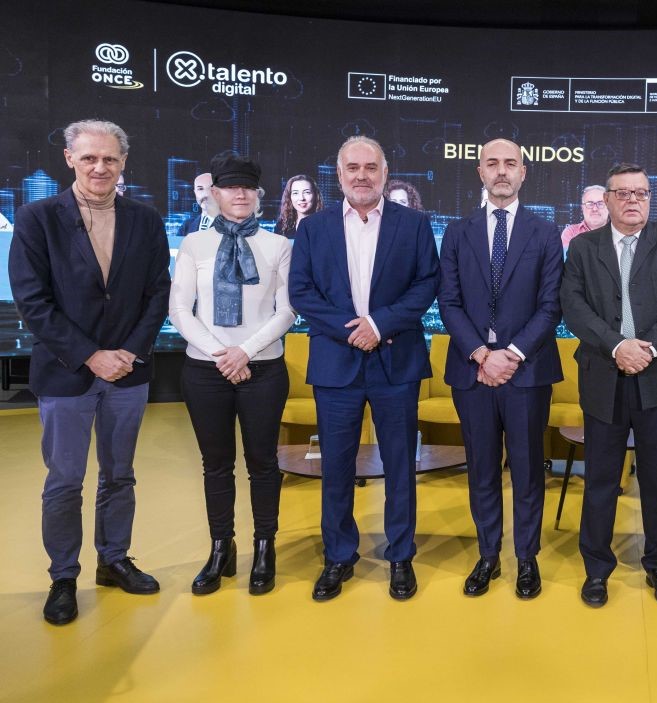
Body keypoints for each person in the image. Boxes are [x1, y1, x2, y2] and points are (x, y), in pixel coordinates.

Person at [9, 119, 170, 625]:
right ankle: (63, 577)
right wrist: (90, 355)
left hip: (129, 372)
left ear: (123, 164)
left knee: (120, 475)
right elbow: (32, 302)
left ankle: (114, 560)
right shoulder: (38, 218)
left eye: (110, 159)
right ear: (69, 158)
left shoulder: (145, 219)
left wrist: (129, 350)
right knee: (65, 481)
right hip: (66, 374)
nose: (100, 167)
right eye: (89, 158)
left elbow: (157, 293)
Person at [289, 136, 440, 602]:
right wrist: (352, 329)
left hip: (397, 362)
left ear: (383, 171)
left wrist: (379, 324)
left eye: (370, 167)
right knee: (336, 466)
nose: (361, 175)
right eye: (352, 167)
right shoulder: (314, 229)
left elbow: (426, 284)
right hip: (337, 364)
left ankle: (400, 555)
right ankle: (339, 555)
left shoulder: (413, 225)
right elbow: (302, 291)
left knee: (399, 464)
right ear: (339, 175)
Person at [560, 162, 657, 608]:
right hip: (603, 376)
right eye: (623, 193)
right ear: (609, 199)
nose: (633, 200)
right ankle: (596, 570)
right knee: (600, 480)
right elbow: (574, 306)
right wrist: (618, 346)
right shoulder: (583, 247)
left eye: (641, 193)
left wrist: (649, 347)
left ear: (649, 198)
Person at [438, 139, 563, 599]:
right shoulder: (457, 232)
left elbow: (551, 307)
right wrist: (480, 355)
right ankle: (488, 555)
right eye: (493, 163)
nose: (502, 171)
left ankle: (526, 558)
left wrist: (510, 354)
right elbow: (448, 302)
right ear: (480, 171)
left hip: (526, 372)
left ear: (524, 172)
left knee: (529, 470)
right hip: (472, 372)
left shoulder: (546, 233)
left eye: (510, 163)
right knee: (482, 469)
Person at [170, 154, 294, 596]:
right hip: (205, 371)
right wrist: (220, 353)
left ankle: (265, 547)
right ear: (216, 193)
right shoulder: (193, 245)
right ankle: (221, 547)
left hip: (263, 369)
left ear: (258, 195)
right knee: (216, 465)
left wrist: (244, 351)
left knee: (263, 464)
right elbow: (180, 309)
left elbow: (287, 310)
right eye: (230, 187)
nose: (239, 194)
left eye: (248, 187)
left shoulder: (280, 245)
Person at [177, 172, 215, 239]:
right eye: (200, 189)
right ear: (195, 193)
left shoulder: (232, 225)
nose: (205, 194)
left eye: (211, 189)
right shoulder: (186, 226)